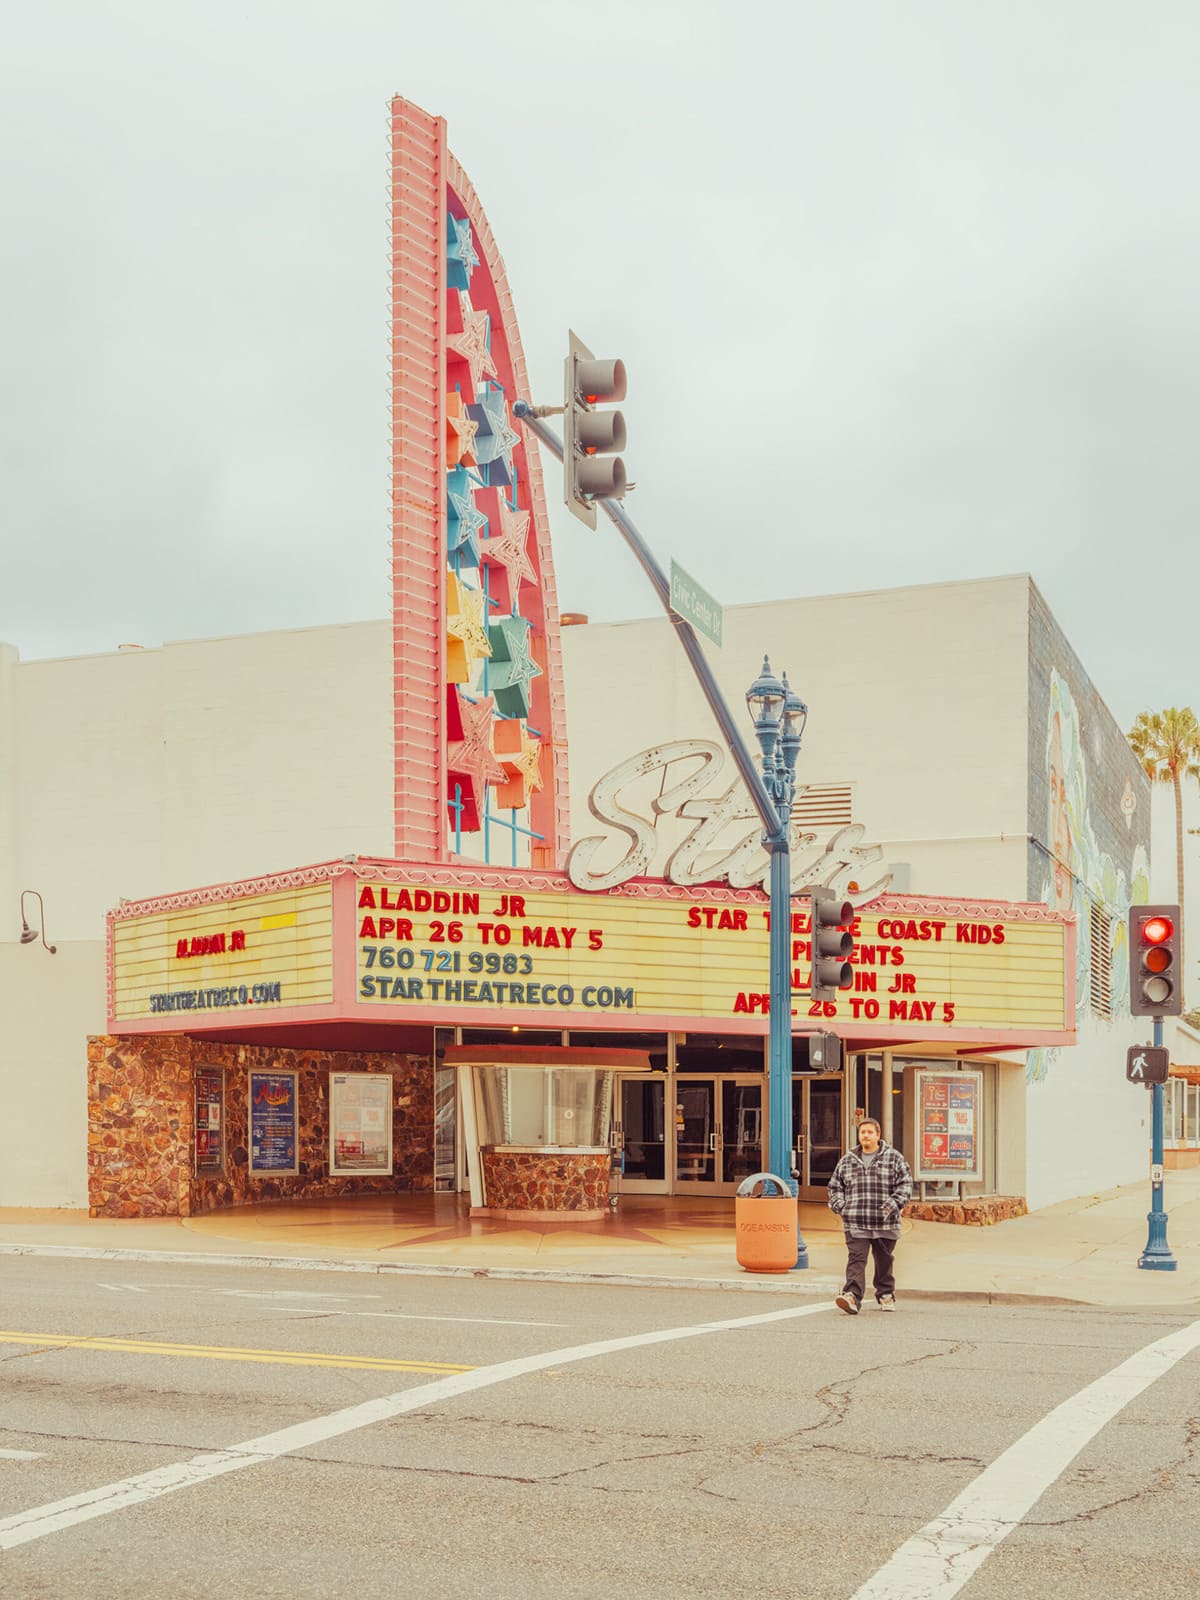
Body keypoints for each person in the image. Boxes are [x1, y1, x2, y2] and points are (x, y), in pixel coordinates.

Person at [827, 1116, 912, 1315]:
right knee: (856, 1259)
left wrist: (892, 1205)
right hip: (856, 1221)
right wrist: (841, 1206)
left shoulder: (894, 1158)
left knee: (884, 1261)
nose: (865, 1136)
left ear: (878, 1135)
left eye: (869, 1132)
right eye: (862, 1132)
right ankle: (851, 1297)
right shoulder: (847, 1160)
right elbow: (834, 1187)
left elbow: (906, 1184)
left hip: (886, 1223)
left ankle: (885, 1294)